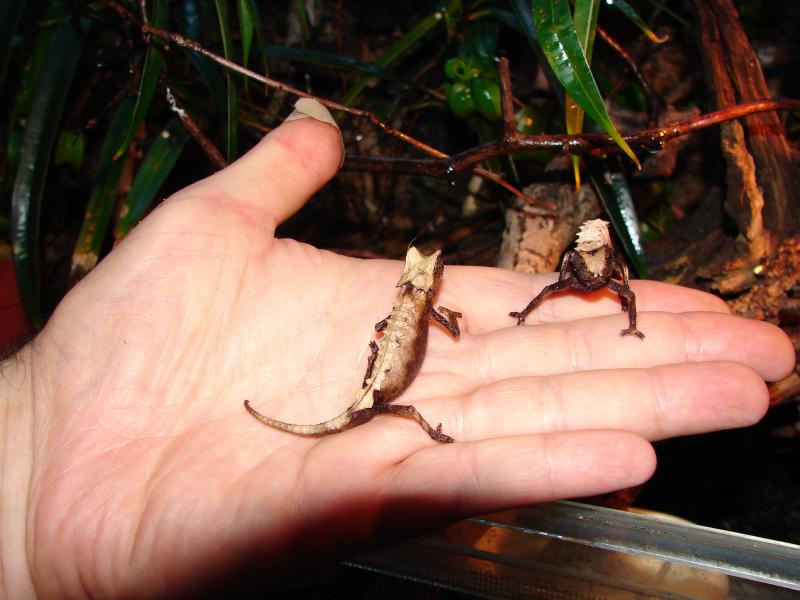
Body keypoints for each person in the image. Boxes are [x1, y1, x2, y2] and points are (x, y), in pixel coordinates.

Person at [0, 100, 793, 599]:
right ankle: (409, 420)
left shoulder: (416, 303)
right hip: (388, 389)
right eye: (433, 275)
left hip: (393, 367)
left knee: (396, 390)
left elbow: (416, 319)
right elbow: (414, 329)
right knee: (399, 402)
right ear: (431, 280)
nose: (431, 275)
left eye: (430, 273)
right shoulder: (417, 308)